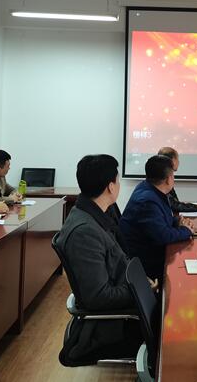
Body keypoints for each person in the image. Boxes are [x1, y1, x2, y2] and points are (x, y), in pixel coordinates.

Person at [55, 154, 145, 366]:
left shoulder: (98, 213)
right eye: (118, 180)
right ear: (111, 187)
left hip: (125, 297)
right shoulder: (84, 232)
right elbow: (99, 297)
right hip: (114, 325)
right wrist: (140, 289)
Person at [120, 155, 195, 281]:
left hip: (150, 254)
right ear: (168, 179)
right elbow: (163, 236)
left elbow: (160, 220)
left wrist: (177, 222)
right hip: (146, 264)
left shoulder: (148, 188)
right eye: (173, 175)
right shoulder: (148, 200)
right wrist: (186, 230)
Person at [157, 147, 197, 214]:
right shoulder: (162, 178)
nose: (179, 162)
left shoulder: (162, 174)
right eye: (177, 159)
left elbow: (175, 203)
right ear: (173, 160)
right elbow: (174, 205)